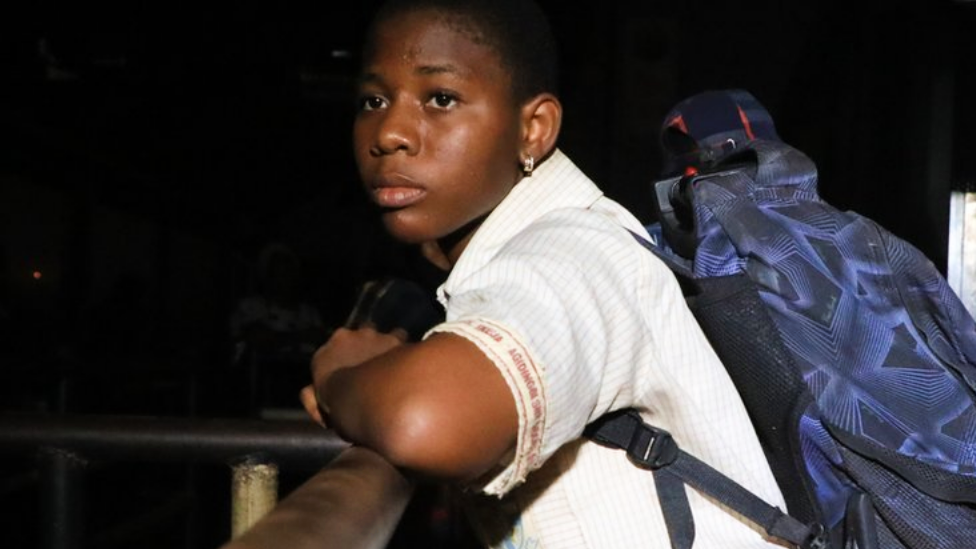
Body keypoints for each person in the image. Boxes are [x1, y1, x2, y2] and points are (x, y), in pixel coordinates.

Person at [300, 1, 787, 547]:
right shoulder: (546, 245)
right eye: (374, 100)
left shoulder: (570, 254)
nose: (389, 132)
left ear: (533, 129)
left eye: (441, 99)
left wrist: (341, 374)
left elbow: (425, 420)